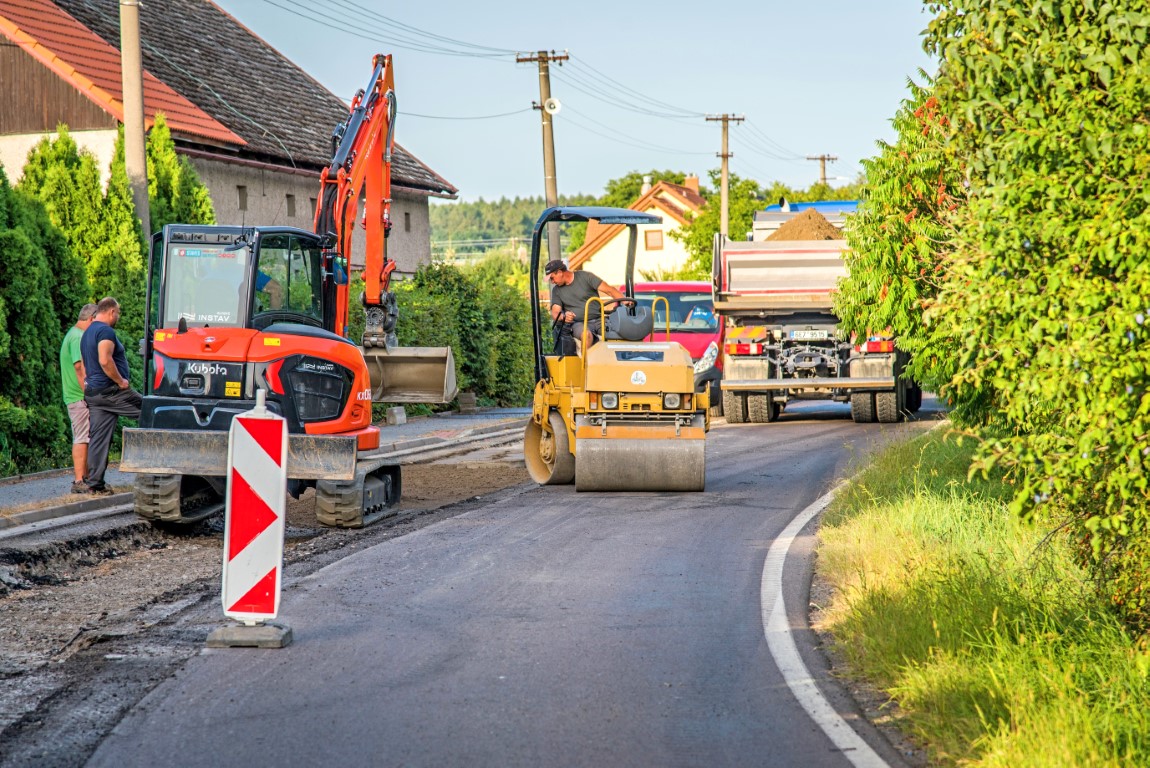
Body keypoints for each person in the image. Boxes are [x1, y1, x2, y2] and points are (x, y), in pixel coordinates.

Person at [80, 297, 142, 495]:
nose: (119, 317)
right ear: (112, 312)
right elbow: (105, 360)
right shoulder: (106, 331)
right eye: (118, 313)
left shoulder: (87, 332)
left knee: (98, 438)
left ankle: (94, 484)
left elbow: (84, 364)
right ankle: (159, 470)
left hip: (94, 393)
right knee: (153, 411)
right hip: (112, 391)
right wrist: (120, 381)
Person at [59, 303, 98, 493]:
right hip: (78, 396)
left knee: (86, 436)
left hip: (76, 395)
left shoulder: (73, 334)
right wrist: (88, 392)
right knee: (82, 437)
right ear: (91, 319)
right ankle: (79, 481)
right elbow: (78, 367)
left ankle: (86, 479)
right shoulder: (77, 337)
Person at [545, 259, 631, 344]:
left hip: (599, 319)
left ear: (559, 272)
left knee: (615, 335)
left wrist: (625, 301)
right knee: (586, 335)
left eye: (552, 278)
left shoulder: (586, 277)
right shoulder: (556, 290)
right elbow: (555, 312)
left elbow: (609, 290)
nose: (552, 282)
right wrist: (563, 317)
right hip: (578, 323)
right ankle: (586, 358)